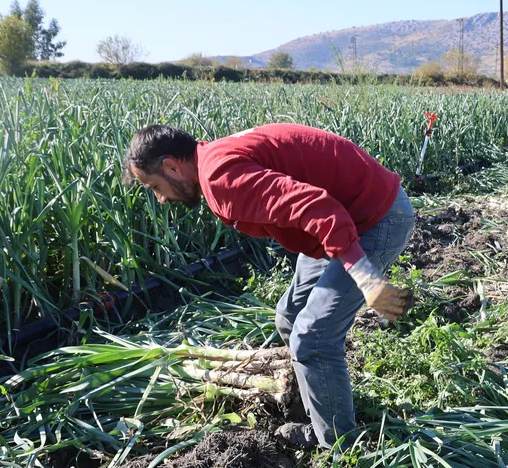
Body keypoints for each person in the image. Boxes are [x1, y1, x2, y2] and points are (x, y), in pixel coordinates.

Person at [123, 123, 415, 450]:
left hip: (373, 218)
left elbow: (317, 207)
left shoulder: (220, 178)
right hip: (340, 220)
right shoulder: (214, 160)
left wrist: (364, 276)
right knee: (289, 317)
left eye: (154, 186)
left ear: (171, 166)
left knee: (312, 337)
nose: (161, 199)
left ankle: (340, 449)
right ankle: (325, 413)